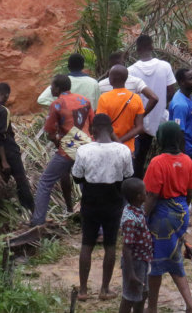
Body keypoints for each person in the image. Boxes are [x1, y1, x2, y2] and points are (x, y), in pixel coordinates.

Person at [71, 114, 133, 302]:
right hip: (113, 202)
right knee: (110, 245)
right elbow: (128, 177)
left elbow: (77, 177)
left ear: (93, 131)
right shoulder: (123, 150)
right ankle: (104, 289)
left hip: (90, 201)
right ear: (112, 130)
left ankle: (83, 290)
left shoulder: (84, 150)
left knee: (87, 244)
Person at [143, 122, 192, 313]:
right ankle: (190, 306)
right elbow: (191, 191)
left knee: (157, 262)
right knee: (174, 258)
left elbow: (151, 196)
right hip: (181, 211)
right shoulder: (188, 160)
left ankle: (152, 307)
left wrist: (144, 217)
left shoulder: (157, 162)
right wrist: (183, 209)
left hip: (163, 215)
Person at [31, 75, 94, 226]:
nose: (51, 89)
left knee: (45, 182)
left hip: (68, 149)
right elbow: (93, 124)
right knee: (88, 185)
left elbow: (50, 132)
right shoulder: (84, 100)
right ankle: (95, 227)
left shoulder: (57, 104)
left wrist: (58, 142)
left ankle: (38, 222)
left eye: (52, 86)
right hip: (87, 148)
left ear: (58, 88)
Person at [128, 35, 177, 178]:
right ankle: (166, 180)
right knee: (166, 154)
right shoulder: (165, 66)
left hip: (140, 122)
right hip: (161, 118)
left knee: (139, 157)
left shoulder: (131, 70)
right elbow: (171, 91)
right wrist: (162, 105)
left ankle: (138, 186)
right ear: (152, 47)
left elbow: (130, 98)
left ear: (137, 50)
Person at [0, 82, 34, 212]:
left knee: (3, 177)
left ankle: (1, 206)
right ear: (6, 95)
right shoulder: (3, 111)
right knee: (20, 178)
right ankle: (30, 209)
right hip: (7, 150)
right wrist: (4, 161)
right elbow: (0, 137)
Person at [119, 178, 153, 313]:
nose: (147, 193)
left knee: (143, 293)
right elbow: (126, 248)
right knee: (129, 297)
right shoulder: (130, 219)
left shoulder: (137, 209)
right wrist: (131, 274)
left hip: (143, 260)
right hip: (135, 262)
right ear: (139, 197)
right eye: (145, 192)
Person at [96, 66, 146, 153]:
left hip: (109, 146)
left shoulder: (104, 98)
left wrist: (117, 143)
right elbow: (140, 127)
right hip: (129, 148)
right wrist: (122, 143)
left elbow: (102, 125)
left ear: (111, 80)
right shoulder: (136, 98)